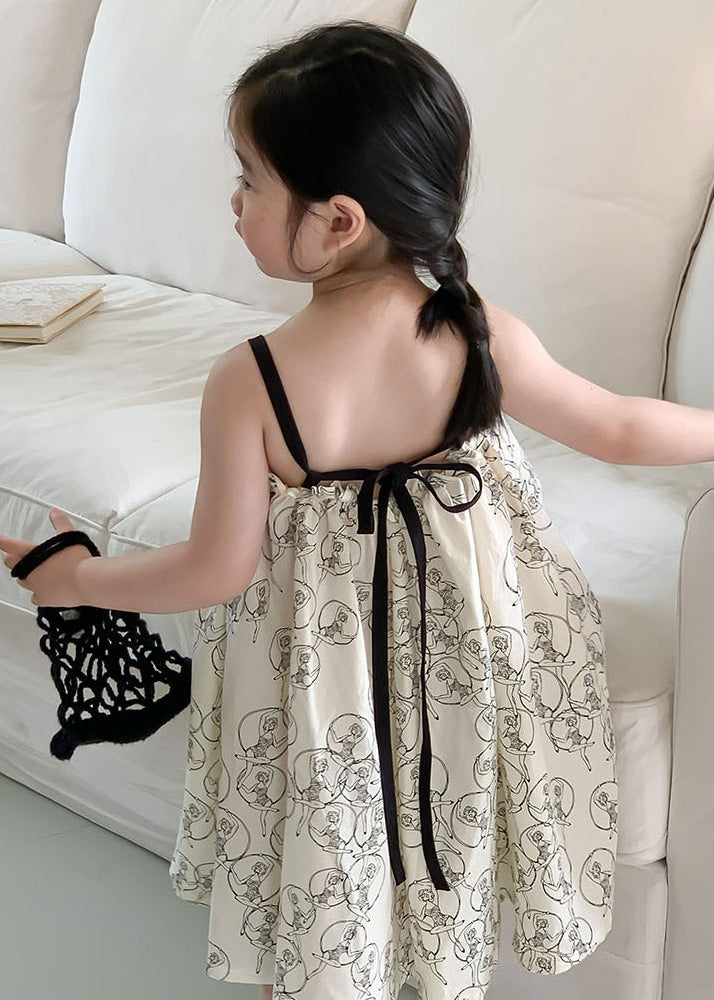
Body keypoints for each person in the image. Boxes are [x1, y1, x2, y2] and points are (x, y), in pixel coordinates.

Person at [167, 18, 618, 1000]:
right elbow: (617, 427)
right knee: (442, 840)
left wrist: (77, 574)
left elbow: (212, 567)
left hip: (316, 688)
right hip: (460, 674)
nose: (233, 201)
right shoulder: (474, 334)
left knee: (318, 859)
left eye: (249, 179)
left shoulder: (251, 381)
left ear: (338, 221)